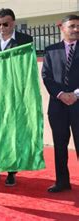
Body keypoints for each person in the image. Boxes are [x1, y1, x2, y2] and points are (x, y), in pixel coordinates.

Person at [0, 8, 33, 186]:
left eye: (6, 24)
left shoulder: (25, 41)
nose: (2, 27)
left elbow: (27, 70)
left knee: (11, 133)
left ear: (13, 23)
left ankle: (11, 171)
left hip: (15, 96)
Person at [42, 14, 79, 193]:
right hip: (58, 107)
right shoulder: (50, 50)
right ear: (62, 28)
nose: (76, 29)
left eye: (78, 26)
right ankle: (62, 181)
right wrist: (61, 94)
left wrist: (75, 94)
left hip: (78, 104)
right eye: (72, 26)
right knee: (59, 146)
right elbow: (46, 76)